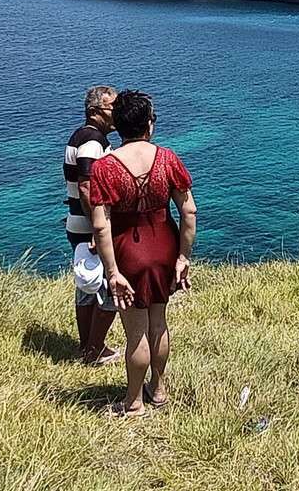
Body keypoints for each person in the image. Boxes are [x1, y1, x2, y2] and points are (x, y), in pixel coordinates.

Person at [90, 90, 197, 418]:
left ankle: (134, 403)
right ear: (149, 125)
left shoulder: (105, 168)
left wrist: (112, 272)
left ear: (119, 125)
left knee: (135, 331)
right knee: (158, 323)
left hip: (128, 254)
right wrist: (182, 257)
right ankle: (159, 389)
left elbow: (101, 226)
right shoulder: (167, 158)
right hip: (164, 247)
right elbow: (189, 212)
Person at [63, 85, 121, 366]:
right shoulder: (93, 142)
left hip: (78, 221)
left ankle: (88, 346)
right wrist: (100, 228)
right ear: (95, 111)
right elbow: (87, 188)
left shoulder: (80, 136)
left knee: (86, 286)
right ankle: (94, 350)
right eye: (113, 108)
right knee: (110, 286)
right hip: (90, 225)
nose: (117, 114)